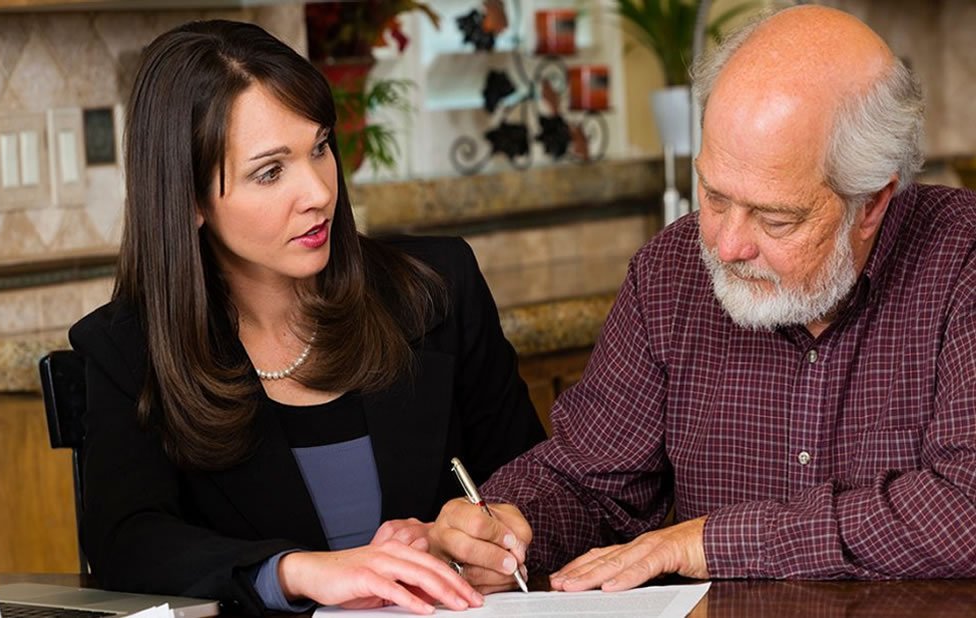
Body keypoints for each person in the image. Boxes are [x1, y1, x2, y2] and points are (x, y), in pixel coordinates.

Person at [428, 4, 976, 593]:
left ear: (871, 203)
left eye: (774, 219)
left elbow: (963, 509)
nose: (726, 244)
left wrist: (707, 540)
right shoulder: (670, 273)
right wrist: (509, 527)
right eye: (713, 196)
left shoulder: (962, 262)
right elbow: (591, 482)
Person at [69, 19, 545, 616]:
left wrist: (490, 541)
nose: (318, 191)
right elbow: (126, 546)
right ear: (189, 200)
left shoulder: (438, 289)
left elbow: (534, 483)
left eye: (319, 148)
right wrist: (297, 572)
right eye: (270, 171)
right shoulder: (128, 349)